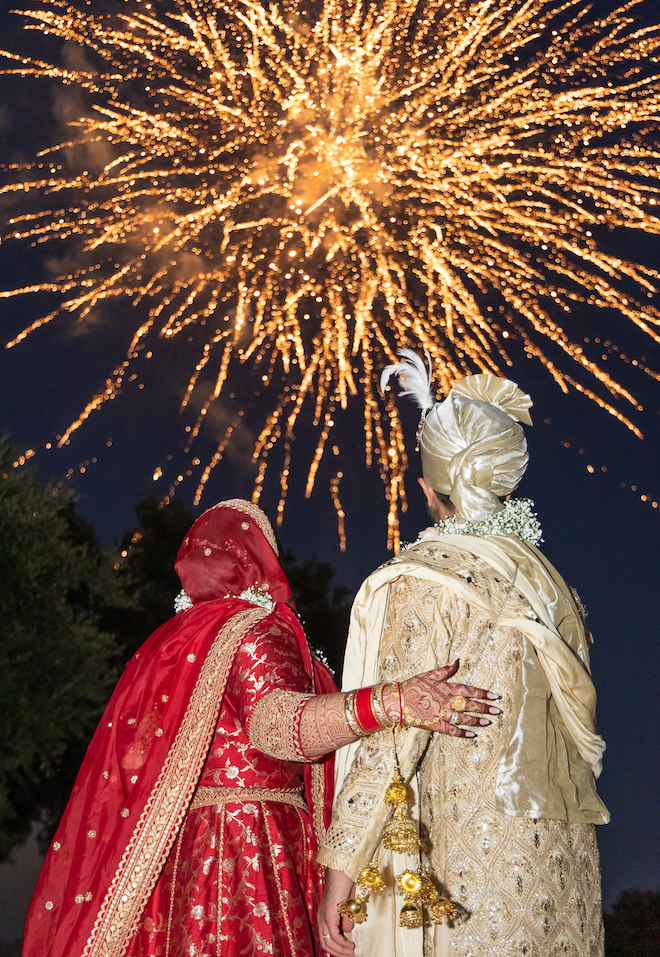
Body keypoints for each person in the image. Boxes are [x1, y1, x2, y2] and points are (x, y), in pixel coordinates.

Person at [22, 497, 497, 957]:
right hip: (250, 842)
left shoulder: (174, 641)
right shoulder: (256, 628)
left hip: (182, 854)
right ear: (257, 559)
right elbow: (276, 726)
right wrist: (392, 701)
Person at [317, 361, 609, 957]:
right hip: (562, 867)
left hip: (467, 869)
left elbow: (396, 732)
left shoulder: (429, 580)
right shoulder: (555, 591)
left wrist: (342, 866)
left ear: (427, 486)